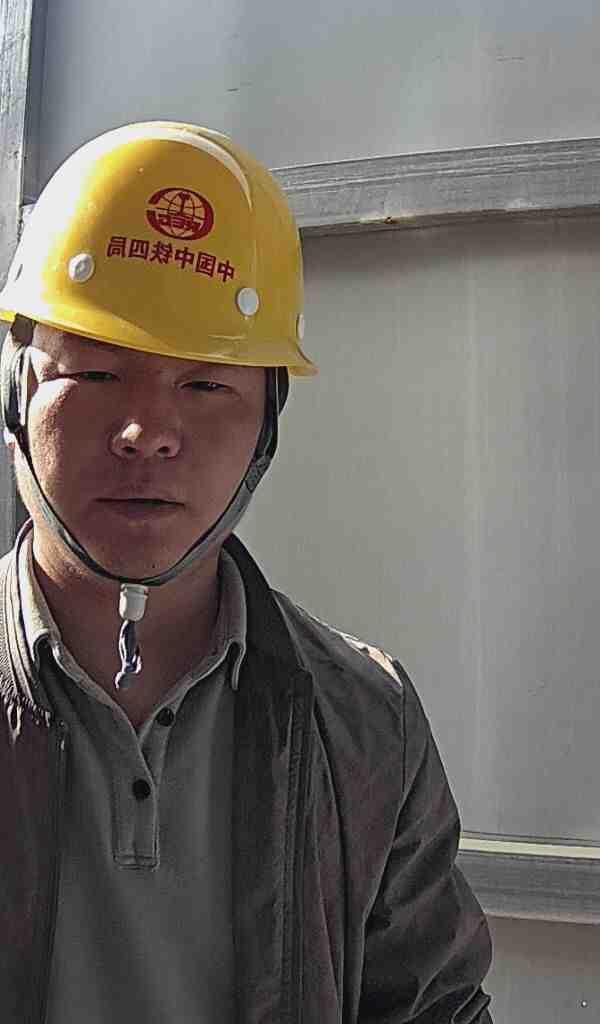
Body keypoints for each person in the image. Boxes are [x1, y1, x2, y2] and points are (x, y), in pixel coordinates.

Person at [0, 121, 493, 1022]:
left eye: (205, 385)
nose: (147, 432)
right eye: (99, 374)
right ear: (16, 393)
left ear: (268, 420)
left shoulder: (364, 724)